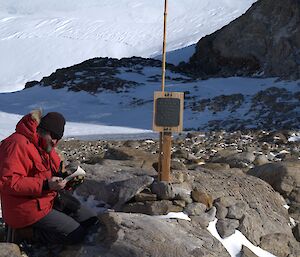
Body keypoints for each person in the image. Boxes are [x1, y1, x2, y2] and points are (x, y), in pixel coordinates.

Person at [0, 110, 98, 245]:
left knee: (91, 220)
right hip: (24, 208)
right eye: (52, 135)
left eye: (58, 137)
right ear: (40, 130)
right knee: (76, 234)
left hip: (47, 199)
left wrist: (68, 180)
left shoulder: (46, 147)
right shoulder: (16, 144)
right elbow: (7, 182)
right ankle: (26, 233)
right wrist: (45, 184)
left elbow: (56, 173)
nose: (54, 141)